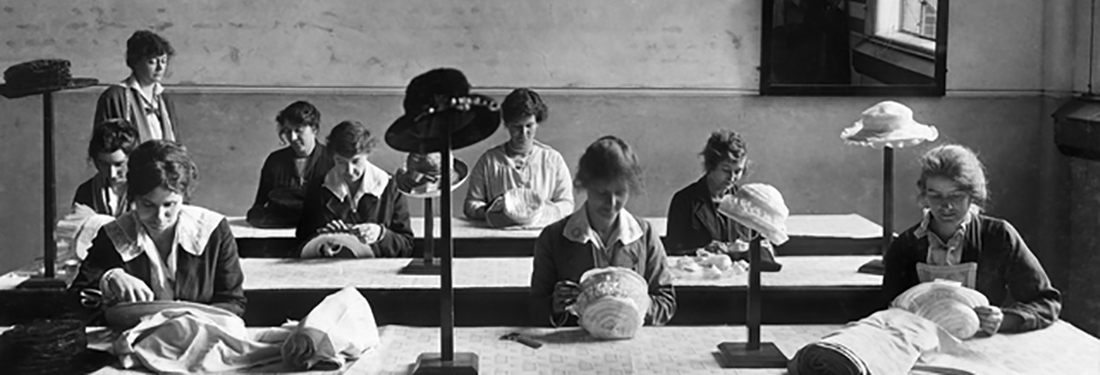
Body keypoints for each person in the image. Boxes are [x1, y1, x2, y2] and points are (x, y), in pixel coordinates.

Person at [882, 144, 1061, 334]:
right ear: (924, 196)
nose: (946, 206)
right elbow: (887, 309)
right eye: (935, 196)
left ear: (972, 195)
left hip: (983, 346)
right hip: (924, 344)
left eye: (956, 196)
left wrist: (1003, 320)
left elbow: (1046, 302)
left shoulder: (999, 236)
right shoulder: (905, 245)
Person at [71, 140, 246, 316]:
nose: (159, 217)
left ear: (183, 197)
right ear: (133, 198)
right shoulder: (114, 234)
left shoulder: (213, 230)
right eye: (148, 205)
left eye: (169, 204)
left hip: (200, 336)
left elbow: (233, 301)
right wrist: (109, 278)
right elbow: (75, 298)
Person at [529, 136, 675, 326]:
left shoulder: (645, 235)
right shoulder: (553, 238)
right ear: (585, 185)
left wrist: (642, 303)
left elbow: (667, 302)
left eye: (620, 192)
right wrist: (553, 306)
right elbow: (535, 307)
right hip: (573, 345)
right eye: (602, 193)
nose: (612, 203)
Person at [666, 130, 781, 271]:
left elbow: (763, 248)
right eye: (726, 170)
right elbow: (672, 251)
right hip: (699, 279)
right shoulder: (684, 201)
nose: (732, 178)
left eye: (738, 171)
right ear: (711, 166)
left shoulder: (747, 201)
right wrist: (703, 250)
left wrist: (749, 249)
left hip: (740, 277)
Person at [296, 120, 414, 257]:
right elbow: (301, 242)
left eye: (356, 161)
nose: (349, 171)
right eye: (340, 162)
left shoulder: (390, 186)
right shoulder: (317, 188)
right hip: (330, 271)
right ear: (332, 157)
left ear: (367, 154)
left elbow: (407, 246)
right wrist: (322, 244)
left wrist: (381, 234)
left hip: (377, 271)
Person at [464, 88, 573, 226]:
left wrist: (543, 211)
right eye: (516, 127)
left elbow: (567, 204)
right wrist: (492, 210)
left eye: (529, 126)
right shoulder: (490, 161)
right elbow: (471, 204)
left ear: (537, 123)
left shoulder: (552, 160)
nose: (523, 133)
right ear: (508, 125)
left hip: (541, 237)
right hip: (500, 238)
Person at [246, 101, 333, 228]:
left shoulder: (333, 160)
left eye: (298, 130)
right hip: (277, 229)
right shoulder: (275, 161)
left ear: (314, 129)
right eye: (287, 131)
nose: (292, 138)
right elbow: (260, 204)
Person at [93, 30, 178, 142]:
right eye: (152, 62)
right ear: (136, 62)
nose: (160, 68)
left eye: (163, 61)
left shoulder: (164, 98)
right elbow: (104, 144)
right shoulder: (116, 96)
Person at [73, 119, 140, 217]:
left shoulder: (148, 190)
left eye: (118, 164)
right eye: (104, 164)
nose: (112, 173)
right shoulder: (86, 191)